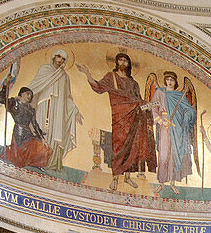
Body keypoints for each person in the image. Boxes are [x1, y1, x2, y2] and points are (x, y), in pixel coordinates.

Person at [78, 52, 157, 191]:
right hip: (119, 117)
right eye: (120, 60)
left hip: (134, 117)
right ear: (116, 62)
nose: (123, 63)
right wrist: (88, 74)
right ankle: (115, 178)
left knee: (132, 147)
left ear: (129, 64)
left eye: (125, 61)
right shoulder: (111, 77)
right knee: (118, 147)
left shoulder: (133, 83)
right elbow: (98, 87)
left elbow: (138, 100)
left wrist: (148, 106)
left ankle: (127, 178)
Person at [28, 49, 83, 171]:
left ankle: (50, 163)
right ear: (53, 57)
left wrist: (75, 111)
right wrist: (21, 97)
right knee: (40, 128)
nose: (60, 61)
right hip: (43, 105)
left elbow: (68, 97)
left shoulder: (64, 76)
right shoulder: (44, 69)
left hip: (58, 110)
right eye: (59, 57)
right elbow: (35, 86)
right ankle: (36, 160)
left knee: (55, 133)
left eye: (63, 59)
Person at [148, 71, 196, 195]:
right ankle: (161, 183)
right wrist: (160, 120)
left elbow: (189, 110)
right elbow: (152, 107)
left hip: (177, 128)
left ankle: (173, 183)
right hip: (165, 128)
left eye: (172, 80)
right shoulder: (160, 93)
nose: (169, 82)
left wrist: (186, 117)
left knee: (175, 156)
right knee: (164, 155)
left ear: (175, 82)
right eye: (167, 79)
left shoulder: (180, 96)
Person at [2, 87, 51, 169]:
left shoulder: (31, 109)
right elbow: (3, 100)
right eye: (28, 94)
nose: (29, 96)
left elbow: (34, 124)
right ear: (21, 93)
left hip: (28, 133)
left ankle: (36, 163)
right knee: (19, 158)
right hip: (19, 131)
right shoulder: (14, 103)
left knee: (44, 147)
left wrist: (42, 138)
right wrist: (5, 86)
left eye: (31, 95)